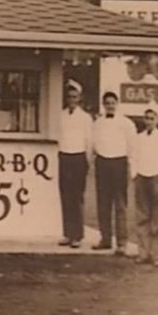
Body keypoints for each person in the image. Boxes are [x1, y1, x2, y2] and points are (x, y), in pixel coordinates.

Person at [91, 91, 136, 254]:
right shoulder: (98, 123)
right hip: (103, 163)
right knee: (103, 203)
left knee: (120, 204)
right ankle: (105, 239)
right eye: (107, 103)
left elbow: (132, 146)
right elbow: (93, 142)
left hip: (119, 163)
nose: (110, 106)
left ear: (117, 104)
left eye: (112, 103)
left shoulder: (126, 123)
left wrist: (129, 165)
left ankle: (122, 242)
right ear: (103, 105)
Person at [130, 103, 158, 266]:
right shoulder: (138, 138)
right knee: (142, 216)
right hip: (142, 178)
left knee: (157, 218)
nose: (149, 122)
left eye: (152, 118)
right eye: (146, 118)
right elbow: (133, 157)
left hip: (157, 179)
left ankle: (156, 255)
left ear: (157, 120)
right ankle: (143, 252)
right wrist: (134, 175)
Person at [58, 79, 93, 248]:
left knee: (77, 196)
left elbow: (89, 140)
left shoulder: (85, 118)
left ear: (79, 98)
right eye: (69, 97)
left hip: (79, 157)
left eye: (75, 96)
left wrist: (87, 161)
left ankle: (77, 235)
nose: (72, 100)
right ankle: (67, 233)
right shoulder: (61, 115)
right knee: (65, 195)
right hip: (65, 156)